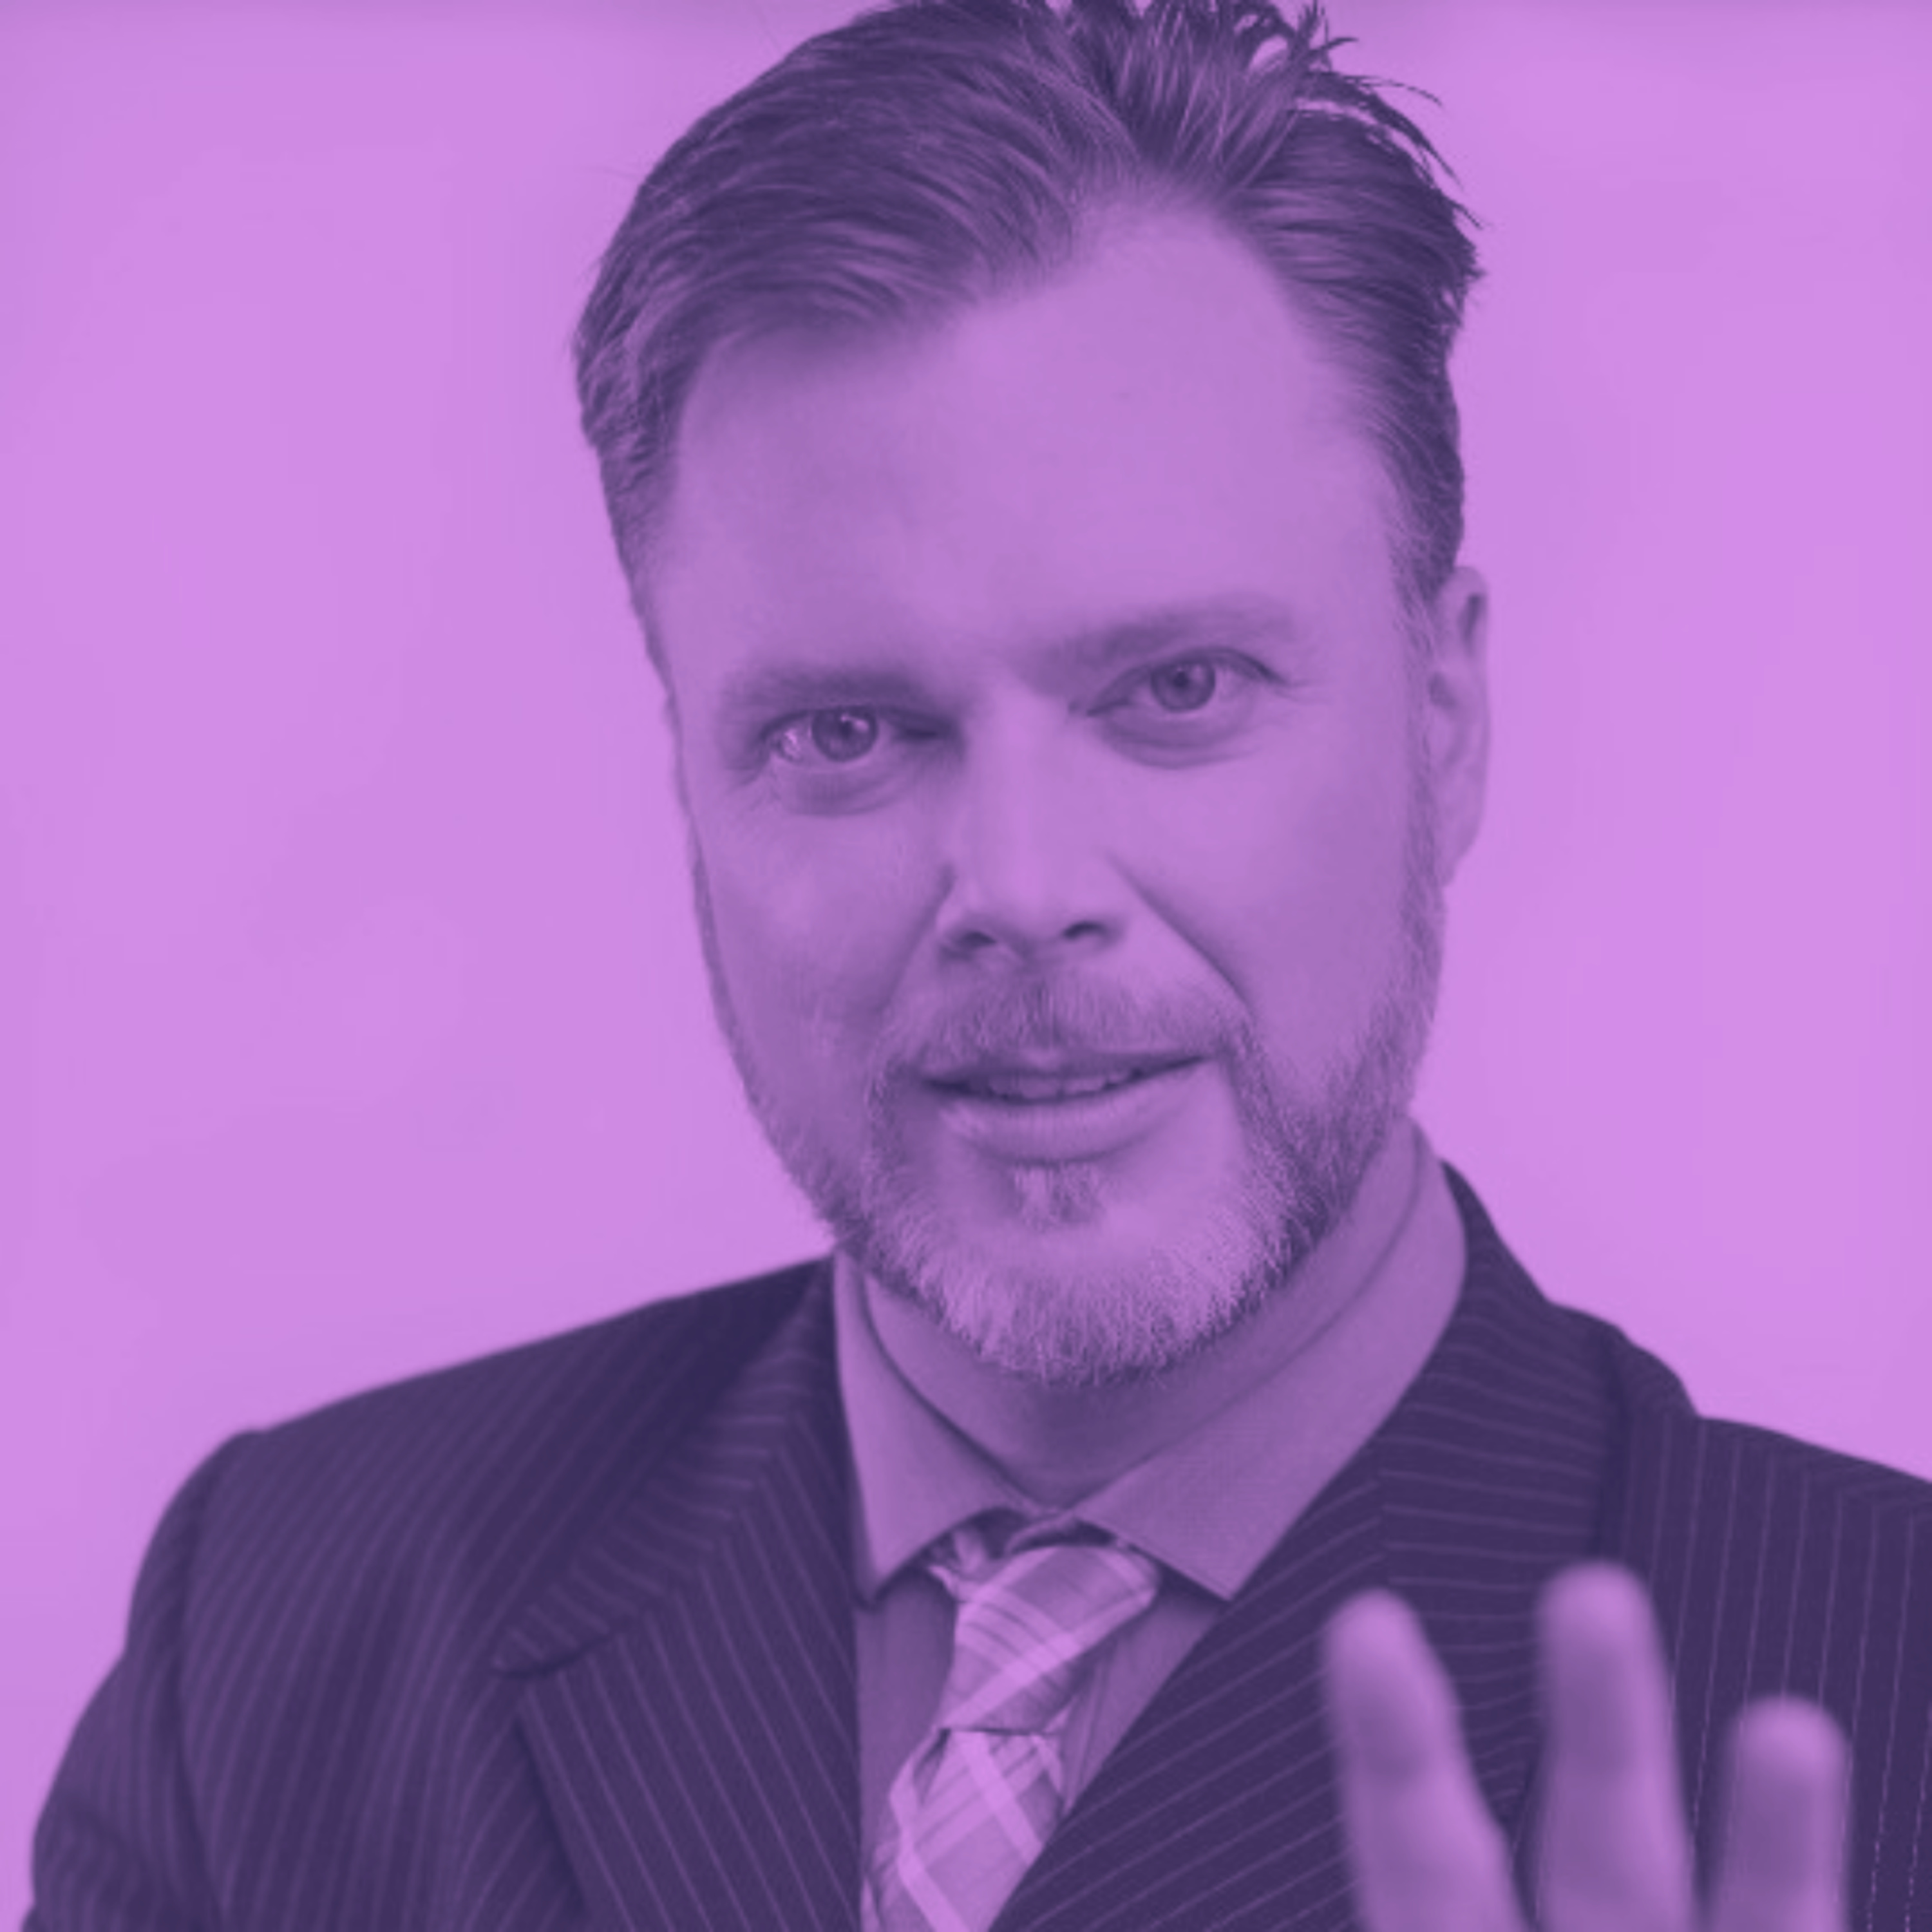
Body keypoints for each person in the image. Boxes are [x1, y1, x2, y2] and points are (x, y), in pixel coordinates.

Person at [28, 2, 1931, 1927]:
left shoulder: (1893, 1702)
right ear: (689, 777)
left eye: (1179, 690)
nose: (1020, 888)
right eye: (846, 733)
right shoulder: (276, 1635)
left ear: (1445, 721)